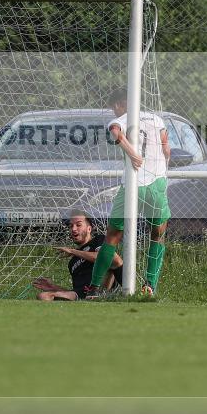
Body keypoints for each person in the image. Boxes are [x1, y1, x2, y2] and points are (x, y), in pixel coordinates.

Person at [84, 88, 171, 298]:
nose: (113, 110)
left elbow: (115, 131)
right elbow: (166, 148)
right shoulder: (157, 119)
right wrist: (163, 171)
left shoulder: (122, 118)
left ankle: (94, 289)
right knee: (157, 236)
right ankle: (150, 286)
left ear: (120, 104)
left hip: (132, 185)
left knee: (112, 237)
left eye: (114, 105)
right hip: (157, 185)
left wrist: (133, 154)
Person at [33, 210, 122, 301]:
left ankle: (123, 293)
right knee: (44, 296)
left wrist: (73, 251)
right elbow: (76, 292)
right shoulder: (72, 263)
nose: (73, 229)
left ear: (89, 229)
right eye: (71, 226)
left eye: (78, 225)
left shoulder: (99, 240)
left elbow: (104, 258)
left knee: (111, 256)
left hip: (104, 288)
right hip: (84, 296)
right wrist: (53, 287)